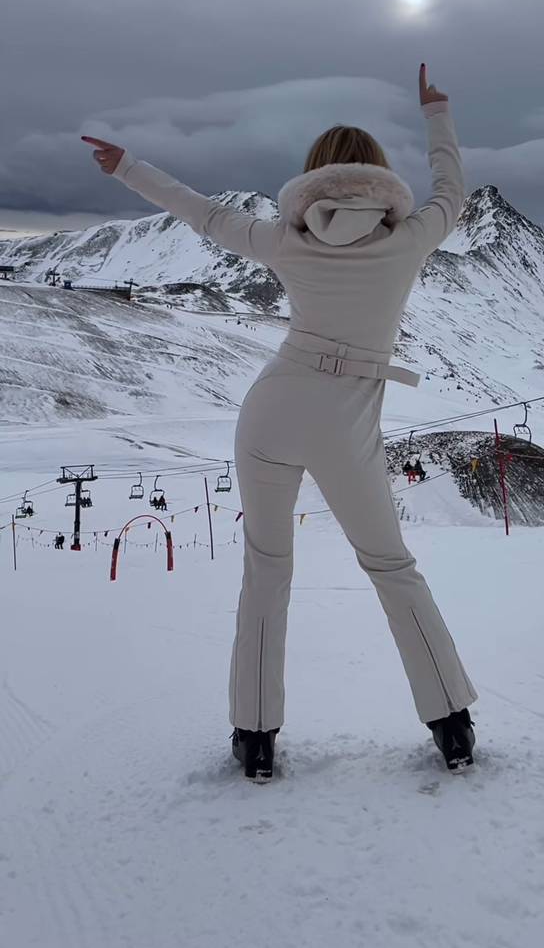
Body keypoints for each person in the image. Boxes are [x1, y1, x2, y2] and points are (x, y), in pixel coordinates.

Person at [82, 62, 477, 781]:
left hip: (271, 410)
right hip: (345, 424)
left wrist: (128, 166)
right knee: (392, 568)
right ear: (380, 177)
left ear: (314, 176)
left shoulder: (286, 240)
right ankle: (452, 724)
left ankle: (255, 735)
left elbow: (201, 213)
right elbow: (452, 188)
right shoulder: (411, 236)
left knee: (266, 570)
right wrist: (437, 113)